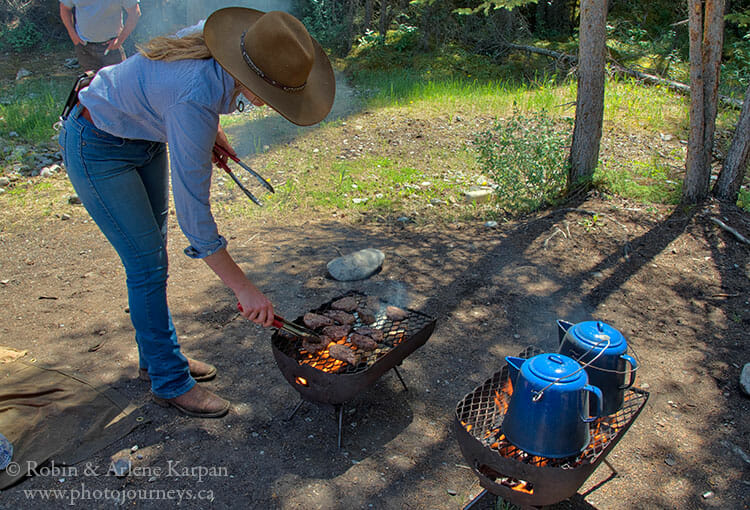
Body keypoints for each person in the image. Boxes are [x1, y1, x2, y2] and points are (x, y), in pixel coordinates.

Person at [58, 8, 336, 418]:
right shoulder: (193, 101)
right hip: (97, 146)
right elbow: (197, 221)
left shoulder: (228, 48)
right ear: (256, 83)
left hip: (142, 134)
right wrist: (244, 289)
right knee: (146, 265)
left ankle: (156, 358)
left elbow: (172, 89)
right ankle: (169, 382)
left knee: (153, 258)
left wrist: (212, 133)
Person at [60, 0, 142, 71]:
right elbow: (65, 8)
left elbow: (135, 12)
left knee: (117, 85)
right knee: (91, 85)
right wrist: (73, 34)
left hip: (111, 48)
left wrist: (120, 40)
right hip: (84, 47)